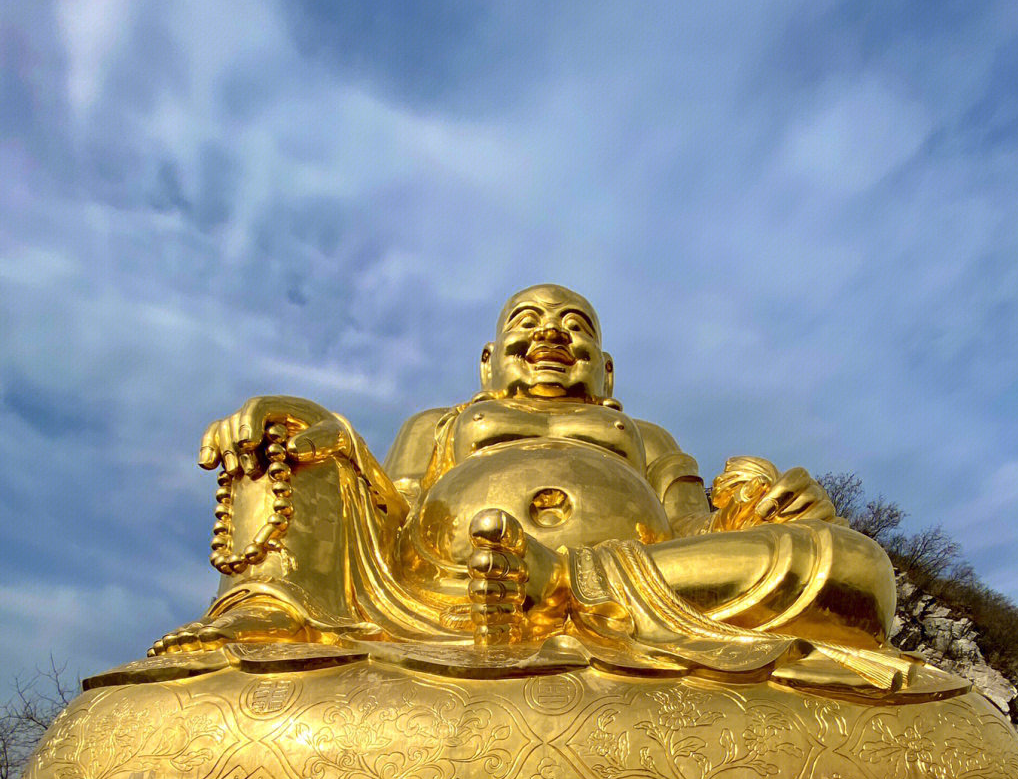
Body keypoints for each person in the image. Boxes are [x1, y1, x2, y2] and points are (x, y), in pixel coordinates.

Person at [151, 284, 941, 696]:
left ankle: (558, 581)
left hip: (624, 597)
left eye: (576, 327)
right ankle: (257, 623)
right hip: (440, 596)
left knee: (853, 566)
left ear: (606, 370)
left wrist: (769, 512)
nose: (553, 335)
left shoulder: (646, 438)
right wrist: (309, 428)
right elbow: (385, 514)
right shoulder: (443, 423)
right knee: (297, 432)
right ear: (491, 359)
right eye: (529, 322)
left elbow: (694, 538)